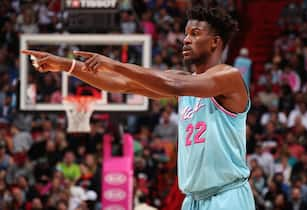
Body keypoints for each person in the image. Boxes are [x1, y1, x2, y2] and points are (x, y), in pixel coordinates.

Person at [21, 6, 255, 210]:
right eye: (185, 34)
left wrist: (115, 64)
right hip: (193, 199)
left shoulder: (229, 76)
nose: (185, 39)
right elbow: (122, 85)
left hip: (227, 197)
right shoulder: (185, 82)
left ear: (215, 41)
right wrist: (66, 65)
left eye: (195, 34)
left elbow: (172, 84)